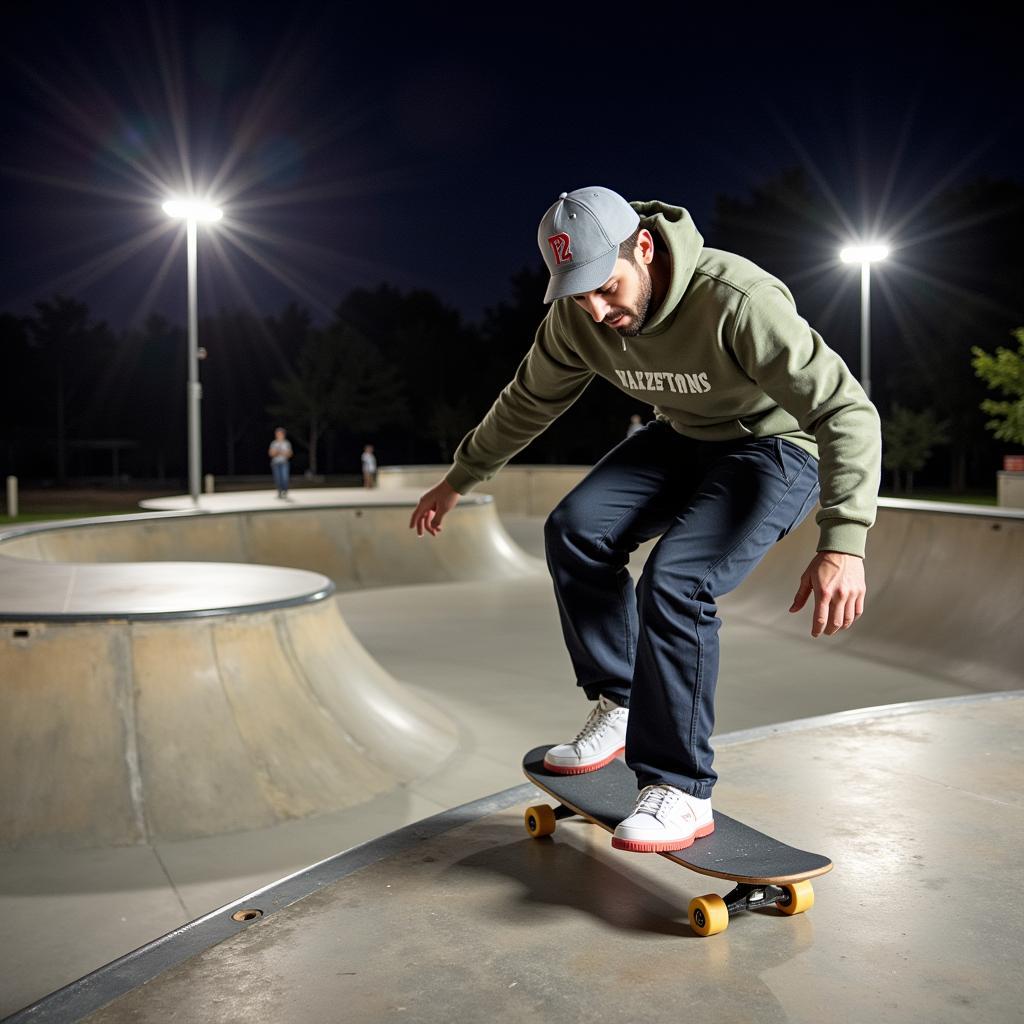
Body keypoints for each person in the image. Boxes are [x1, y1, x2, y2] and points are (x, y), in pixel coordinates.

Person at [409, 186, 881, 854]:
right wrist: (461, 477)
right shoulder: (577, 320)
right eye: (579, 296)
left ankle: (682, 788)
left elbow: (846, 411)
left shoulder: (735, 300)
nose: (599, 312)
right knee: (575, 528)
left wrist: (844, 542)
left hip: (778, 448)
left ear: (646, 247)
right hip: (685, 438)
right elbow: (527, 401)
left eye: (608, 287)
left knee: (676, 581)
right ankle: (620, 702)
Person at [268, 427, 293, 498]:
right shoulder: (274, 443)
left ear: (283, 434)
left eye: (280, 434)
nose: (279, 435)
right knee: (278, 478)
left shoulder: (286, 443)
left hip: (284, 463)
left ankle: (285, 490)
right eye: (277, 434)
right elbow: (271, 453)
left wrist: (280, 452)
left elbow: (289, 454)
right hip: (275, 463)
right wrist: (280, 452)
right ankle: (279, 491)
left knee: (285, 477)